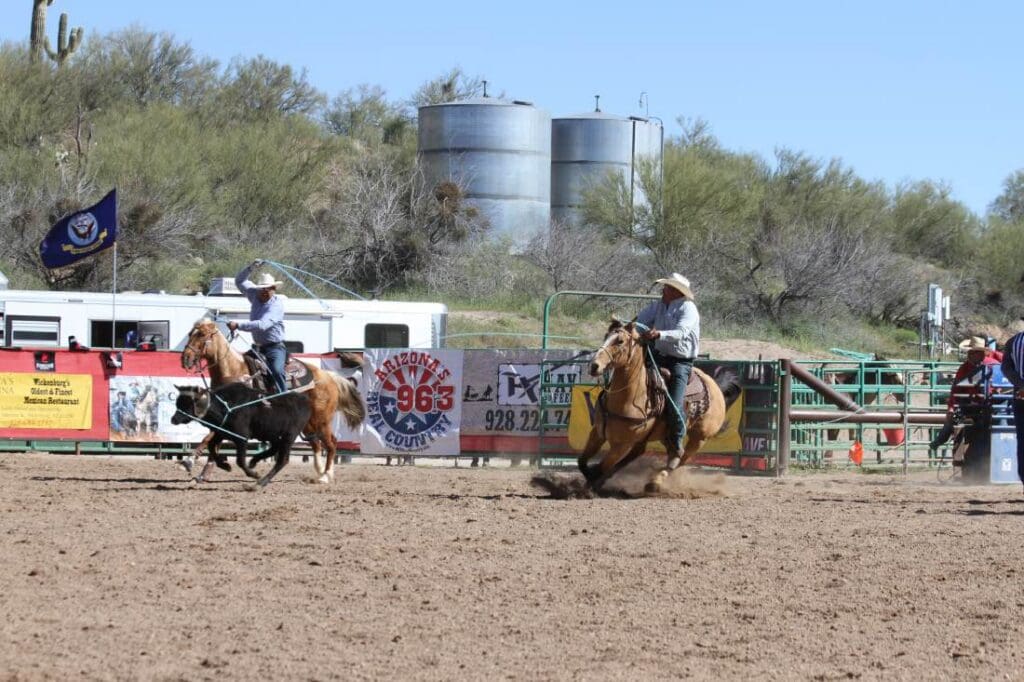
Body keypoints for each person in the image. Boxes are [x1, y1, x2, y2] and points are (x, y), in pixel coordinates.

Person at [636, 272, 700, 463]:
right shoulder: (657, 305)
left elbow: (681, 332)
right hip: (658, 354)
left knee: (674, 403)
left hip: (680, 361)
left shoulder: (689, 309)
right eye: (665, 287)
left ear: (676, 291)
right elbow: (641, 321)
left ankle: (676, 440)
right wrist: (633, 330)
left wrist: (659, 334)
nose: (663, 290)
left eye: (667, 287)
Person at [930, 336, 1001, 450]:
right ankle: (940, 439)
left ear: (980, 353)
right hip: (972, 404)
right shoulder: (965, 368)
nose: (968, 355)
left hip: (992, 404)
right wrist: (951, 407)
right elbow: (956, 390)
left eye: (971, 352)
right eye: (969, 352)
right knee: (954, 416)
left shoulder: (994, 365)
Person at [228, 260, 287, 395]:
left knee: (277, 370)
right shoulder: (254, 293)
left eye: (269, 288)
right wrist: (251, 267)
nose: (265, 291)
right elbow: (239, 281)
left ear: (274, 289)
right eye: (263, 288)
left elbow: (262, 325)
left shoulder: (276, 306)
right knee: (238, 365)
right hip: (257, 348)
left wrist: (238, 325)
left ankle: (283, 396)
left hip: (274, 347)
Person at [1000, 330, 1024, 492]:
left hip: (1021, 396)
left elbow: (1006, 368)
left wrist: (1021, 385)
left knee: (1022, 440)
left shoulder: (1014, 341)